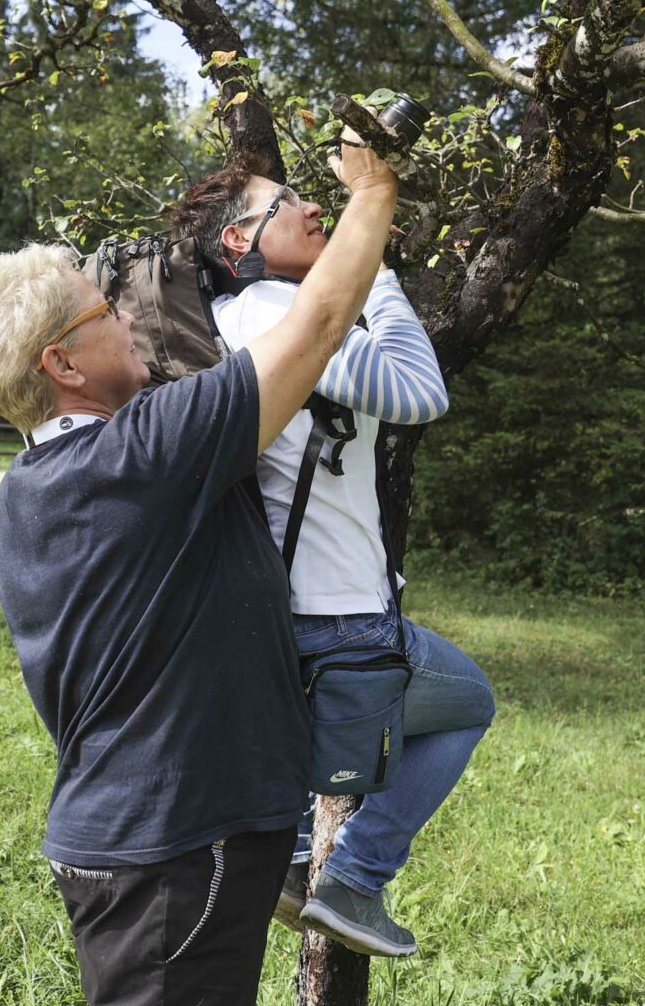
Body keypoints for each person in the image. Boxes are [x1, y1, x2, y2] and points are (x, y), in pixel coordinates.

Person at [0, 132, 399, 1006]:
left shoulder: (25, 499)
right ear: (62, 364)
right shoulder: (143, 455)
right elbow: (319, 328)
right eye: (102, 312)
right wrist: (373, 191)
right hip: (180, 850)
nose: (127, 313)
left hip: (131, 838)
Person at [173, 159, 496, 959]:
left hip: (287, 615)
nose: (316, 206)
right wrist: (376, 272)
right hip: (338, 621)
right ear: (240, 237)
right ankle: (355, 881)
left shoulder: (237, 314)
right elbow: (419, 394)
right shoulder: (276, 310)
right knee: (470, 701)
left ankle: (288, 861)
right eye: (290, 203)